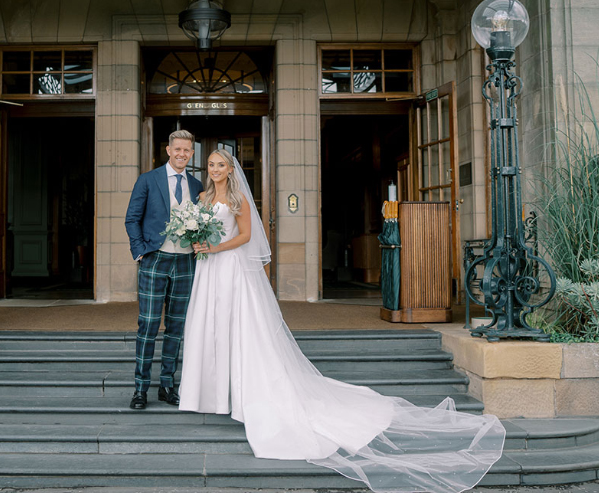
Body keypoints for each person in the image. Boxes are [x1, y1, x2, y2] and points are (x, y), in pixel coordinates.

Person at [179, 148, 506, 493]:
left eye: (221, 165)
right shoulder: (201, 196)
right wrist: (199, 241)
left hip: (229, 268)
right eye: (212, 164)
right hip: (209, 269)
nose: (215, 169)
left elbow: (245, 237)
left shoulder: (238, 198)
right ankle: (213, 394)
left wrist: (214, 249)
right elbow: (201, 229)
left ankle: (247, 396)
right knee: (211, 328)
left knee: (242, 331)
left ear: (231, 169)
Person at [124, 130, 203, 410]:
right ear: (168, 150)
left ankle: (167, 385)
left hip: (185, 263)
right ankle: (140, 388)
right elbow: (132, 218)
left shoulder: (196, 185)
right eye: (177, 149)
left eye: (187, 150)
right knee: (147, 324)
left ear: (192, 154)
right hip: (155, 259)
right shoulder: (148, 180)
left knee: (176, 327)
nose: (182, 154)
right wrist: (140, 250)